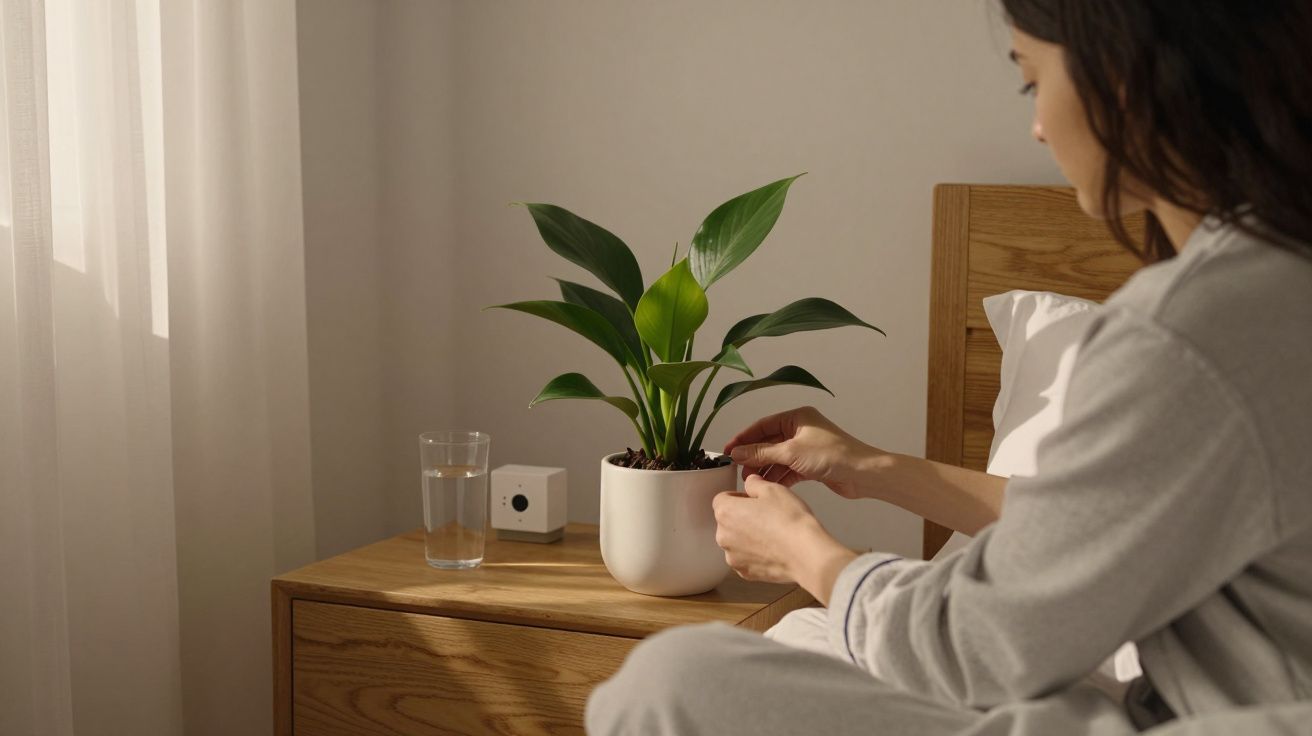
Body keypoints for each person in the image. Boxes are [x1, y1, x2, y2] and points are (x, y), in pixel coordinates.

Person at [585, 1, 1312, 734]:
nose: (1037, 126)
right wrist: (870, 467)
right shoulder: (1276, 281)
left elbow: (979, 645)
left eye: (1033, 81)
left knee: (673, 682)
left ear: (1121, 75)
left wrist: (807, 555)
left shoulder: (1189, 333)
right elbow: (1098, 526)